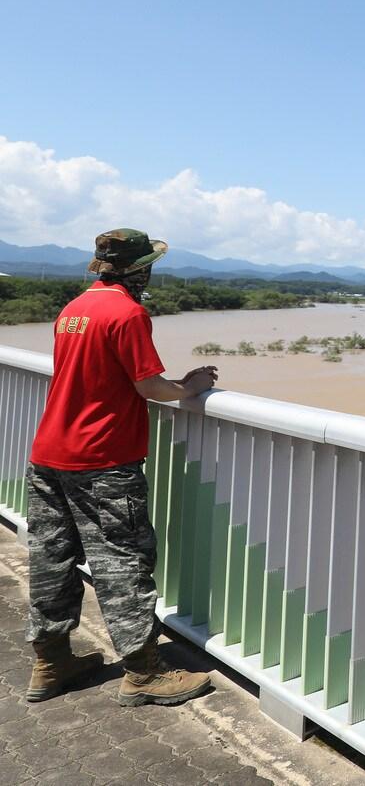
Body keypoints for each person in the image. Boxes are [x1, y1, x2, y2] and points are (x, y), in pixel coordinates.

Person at [25, 228, 218, 706]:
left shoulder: (74, 309)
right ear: (139, 268)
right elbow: (149, 387)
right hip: (103, 457)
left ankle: (50, 663)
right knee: (124, 560)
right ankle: (144, 673)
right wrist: (189, 388)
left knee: (52, 558)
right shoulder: (128, 313)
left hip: (49, 452)